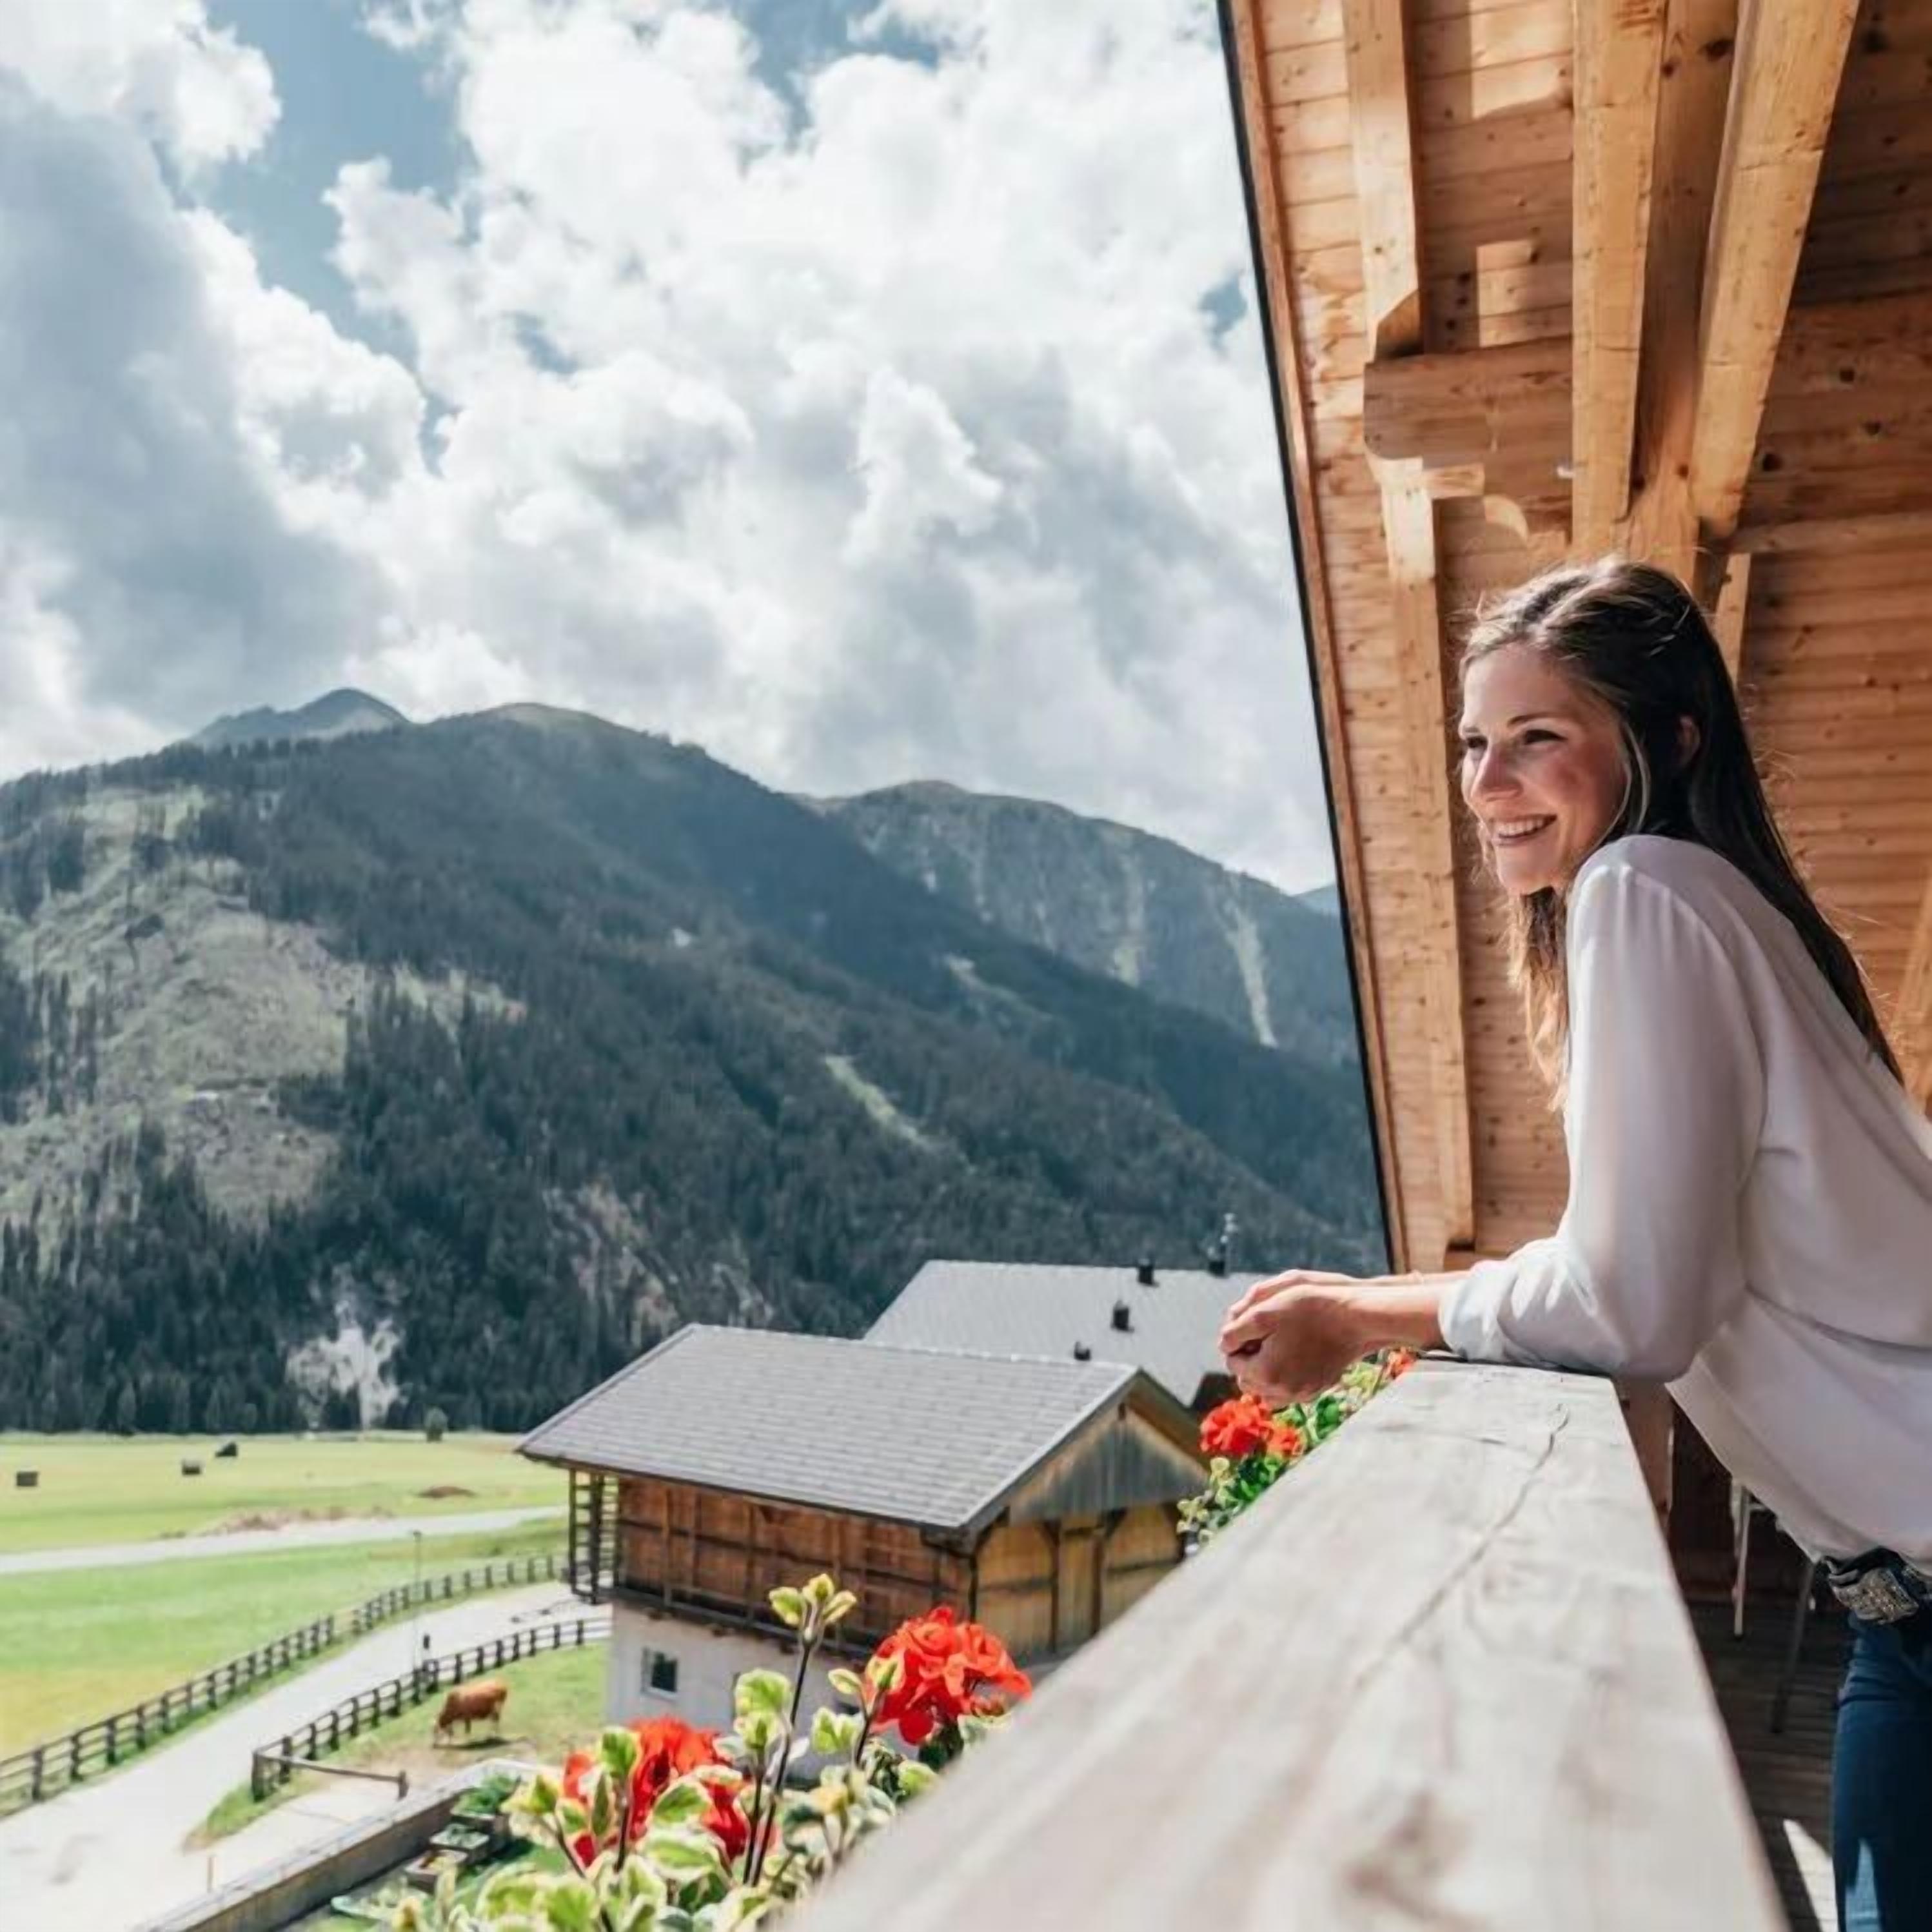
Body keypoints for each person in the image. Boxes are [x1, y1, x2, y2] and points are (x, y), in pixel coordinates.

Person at [1217, 557, 1932, 1932]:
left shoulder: (1644, 892)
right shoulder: (1721, 909)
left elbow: (1632, 1302)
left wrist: (1365, 1314)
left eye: (1537, 739)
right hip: (1891, 1612)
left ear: (1667, 743)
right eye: (1474, 743)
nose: (1488, 783)